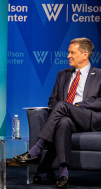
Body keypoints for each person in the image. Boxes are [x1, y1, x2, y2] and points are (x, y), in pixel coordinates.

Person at [13, 38, 101, 188]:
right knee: (63, 121)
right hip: (67, 118)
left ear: (85, 54)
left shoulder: (99, 75)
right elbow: (52, 100)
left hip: (88, 117)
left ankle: (36, 149)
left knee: (62, 105)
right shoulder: (63, 74)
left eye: (72, 52)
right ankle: (63, 174)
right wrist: (62, 110)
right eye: (69, 52)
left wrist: (79, 105)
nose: (68, 56)